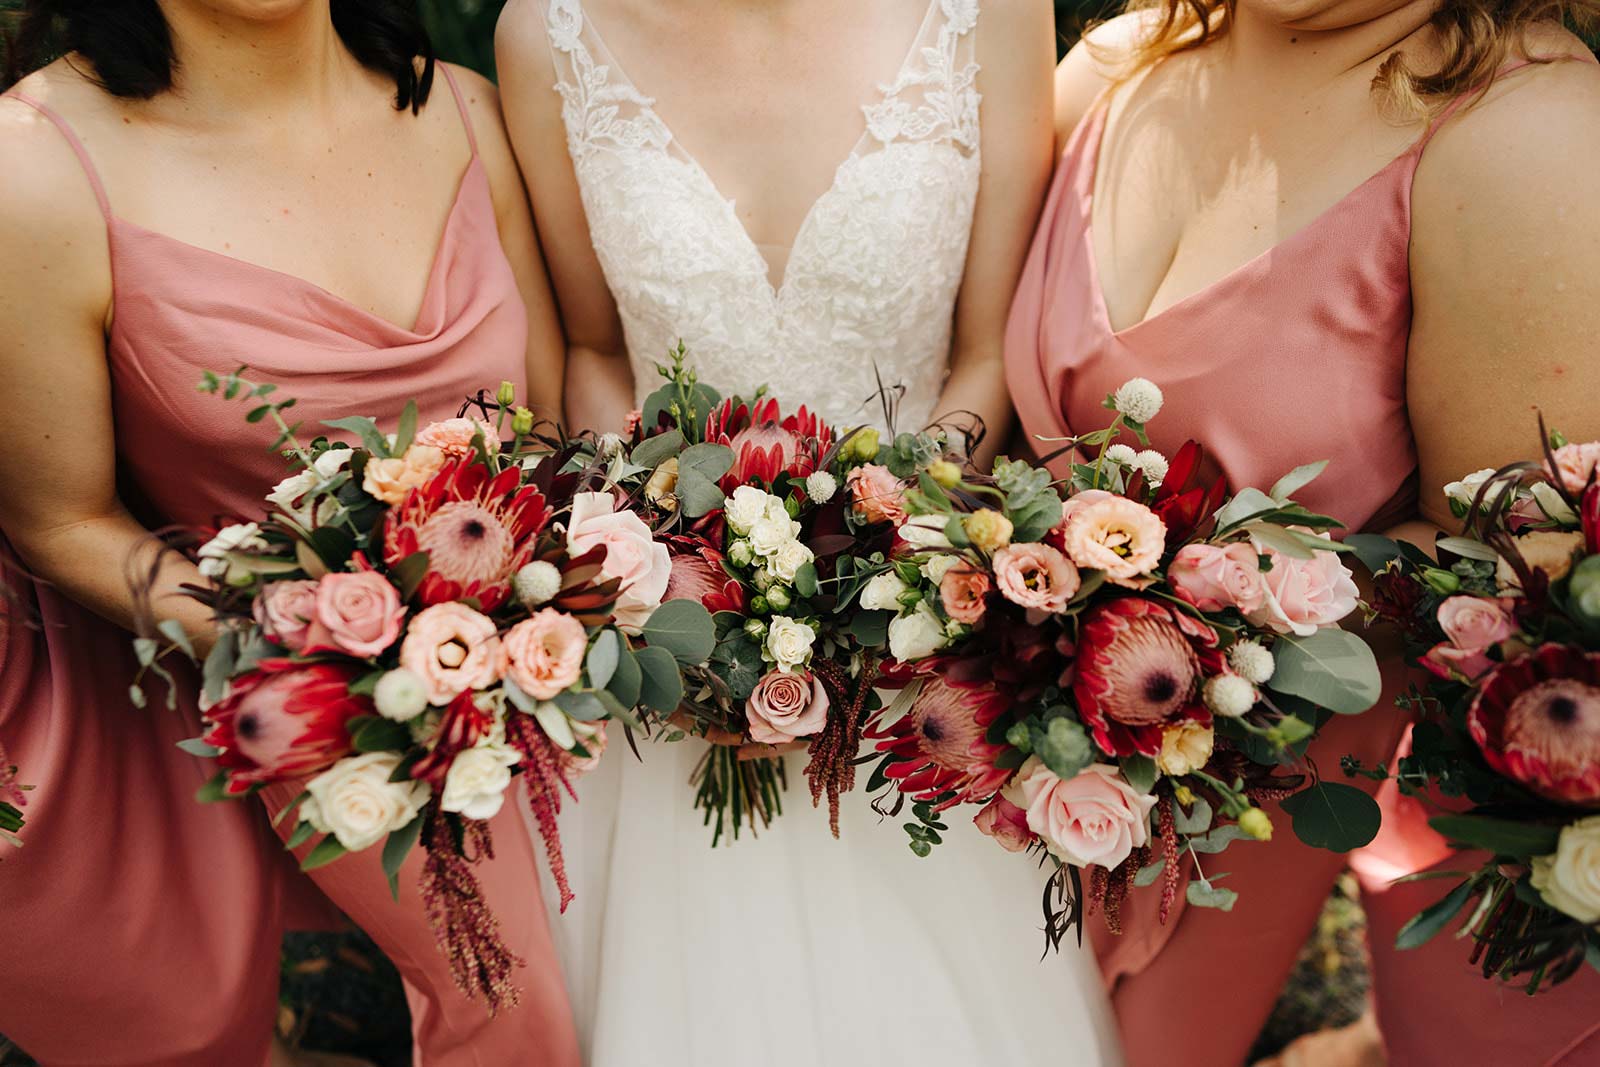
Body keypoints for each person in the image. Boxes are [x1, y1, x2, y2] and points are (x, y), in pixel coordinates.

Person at [494, 1, 1125, 1063]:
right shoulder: (545, 30)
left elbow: (985, 348)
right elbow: (596, 346)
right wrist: (658, 579)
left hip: (915, 655)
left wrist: (890, 559)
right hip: (665, 662)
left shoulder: (993, 14)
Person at [1007, 0, 1600, 1061]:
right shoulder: (1114, 65)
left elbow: (1508, 577)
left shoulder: (1522, 133)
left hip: (1257, 802)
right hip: (987, 753)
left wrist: (1196, 609)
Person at [0, 2, 578, 1063]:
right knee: (518, 1006)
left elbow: (547, 426)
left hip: (557, 661)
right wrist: (298, 649)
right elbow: (60, 518)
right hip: (318, 703)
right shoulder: (33, 167)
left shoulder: (464, 109)